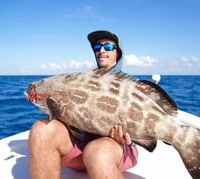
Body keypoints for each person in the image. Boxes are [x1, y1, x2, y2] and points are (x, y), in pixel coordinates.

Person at [28, 30, 138, 179]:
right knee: (41, 130)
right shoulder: (82, 79)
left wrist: (128, 138)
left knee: (97, 151)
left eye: (108, 46)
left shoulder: (130, 84)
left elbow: (138, 123)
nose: (102, 51)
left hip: (117, 148)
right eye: (97, 47)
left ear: (118, 52)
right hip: (82, 142)